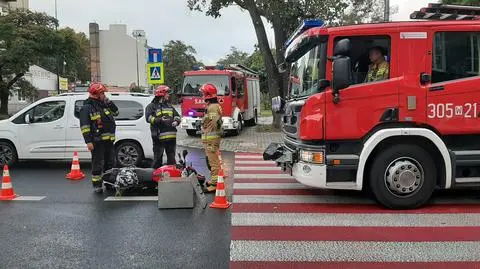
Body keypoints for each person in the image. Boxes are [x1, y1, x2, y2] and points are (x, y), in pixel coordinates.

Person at [79, 82, 119, 193]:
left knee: (110, 163)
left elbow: (116, 112)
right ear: (97, 94)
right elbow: (85, 127)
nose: (104, 95)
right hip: (97, 141)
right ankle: (97, 185)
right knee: (98, 163)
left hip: (109, 141)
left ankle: (109, 183)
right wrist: (88, 142)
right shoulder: (87, 108)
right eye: (102, 93)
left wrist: (108, 101)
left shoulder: (104, 105)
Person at [145, 85, 181, 169]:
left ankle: (171, 178)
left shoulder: (169, 106)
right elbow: (148, 118)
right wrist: (159, 120)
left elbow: (177, 116)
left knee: (171, 161)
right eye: (167, 94)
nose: (169, 95)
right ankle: (154, 178)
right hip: (158, 137)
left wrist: (176, 121)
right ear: (162, 95)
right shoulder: (151, 106)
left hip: (171, 138)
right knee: (157, 159)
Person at [200, 83, 223, 193]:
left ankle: (215, 184)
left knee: (213, 162)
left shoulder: (212, 107)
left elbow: (214, 123)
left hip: (211, 139)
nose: (202, 95)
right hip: (211, 139)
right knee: (212, 161)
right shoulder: (212, 106)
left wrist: (205, 126)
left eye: (203, 93)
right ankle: (214, 180)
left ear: (207, 95)